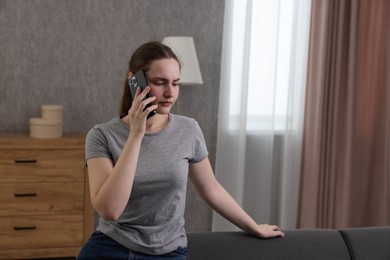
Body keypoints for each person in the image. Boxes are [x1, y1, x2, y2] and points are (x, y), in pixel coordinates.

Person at [77, 41, 284, 260]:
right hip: (111, 247)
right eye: (160, 82)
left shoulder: (189, 129)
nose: (170, 93)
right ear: (134, 81)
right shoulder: (101, 136)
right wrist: (136, 135)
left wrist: (254, 226)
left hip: (167, 252)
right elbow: (110, 210)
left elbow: (211, 189)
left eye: (175, 83)